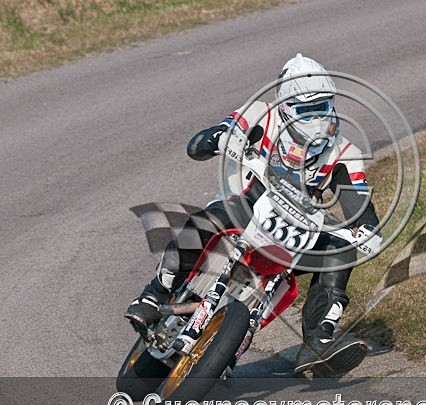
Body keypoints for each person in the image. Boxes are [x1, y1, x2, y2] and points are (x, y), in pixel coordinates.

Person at [125, 53, 382, 375]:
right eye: (306, 110)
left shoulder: (345, 153)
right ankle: (155, 294)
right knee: (207, 220)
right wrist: (219, 138)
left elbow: (359, 206)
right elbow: (199, 144)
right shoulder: (260, 115)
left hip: (295, 234)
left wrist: (367, 231)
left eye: (323, 107)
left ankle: (318, 343)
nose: (317, 119)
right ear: (286, 108)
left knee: (339, 252)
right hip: (243, 209)